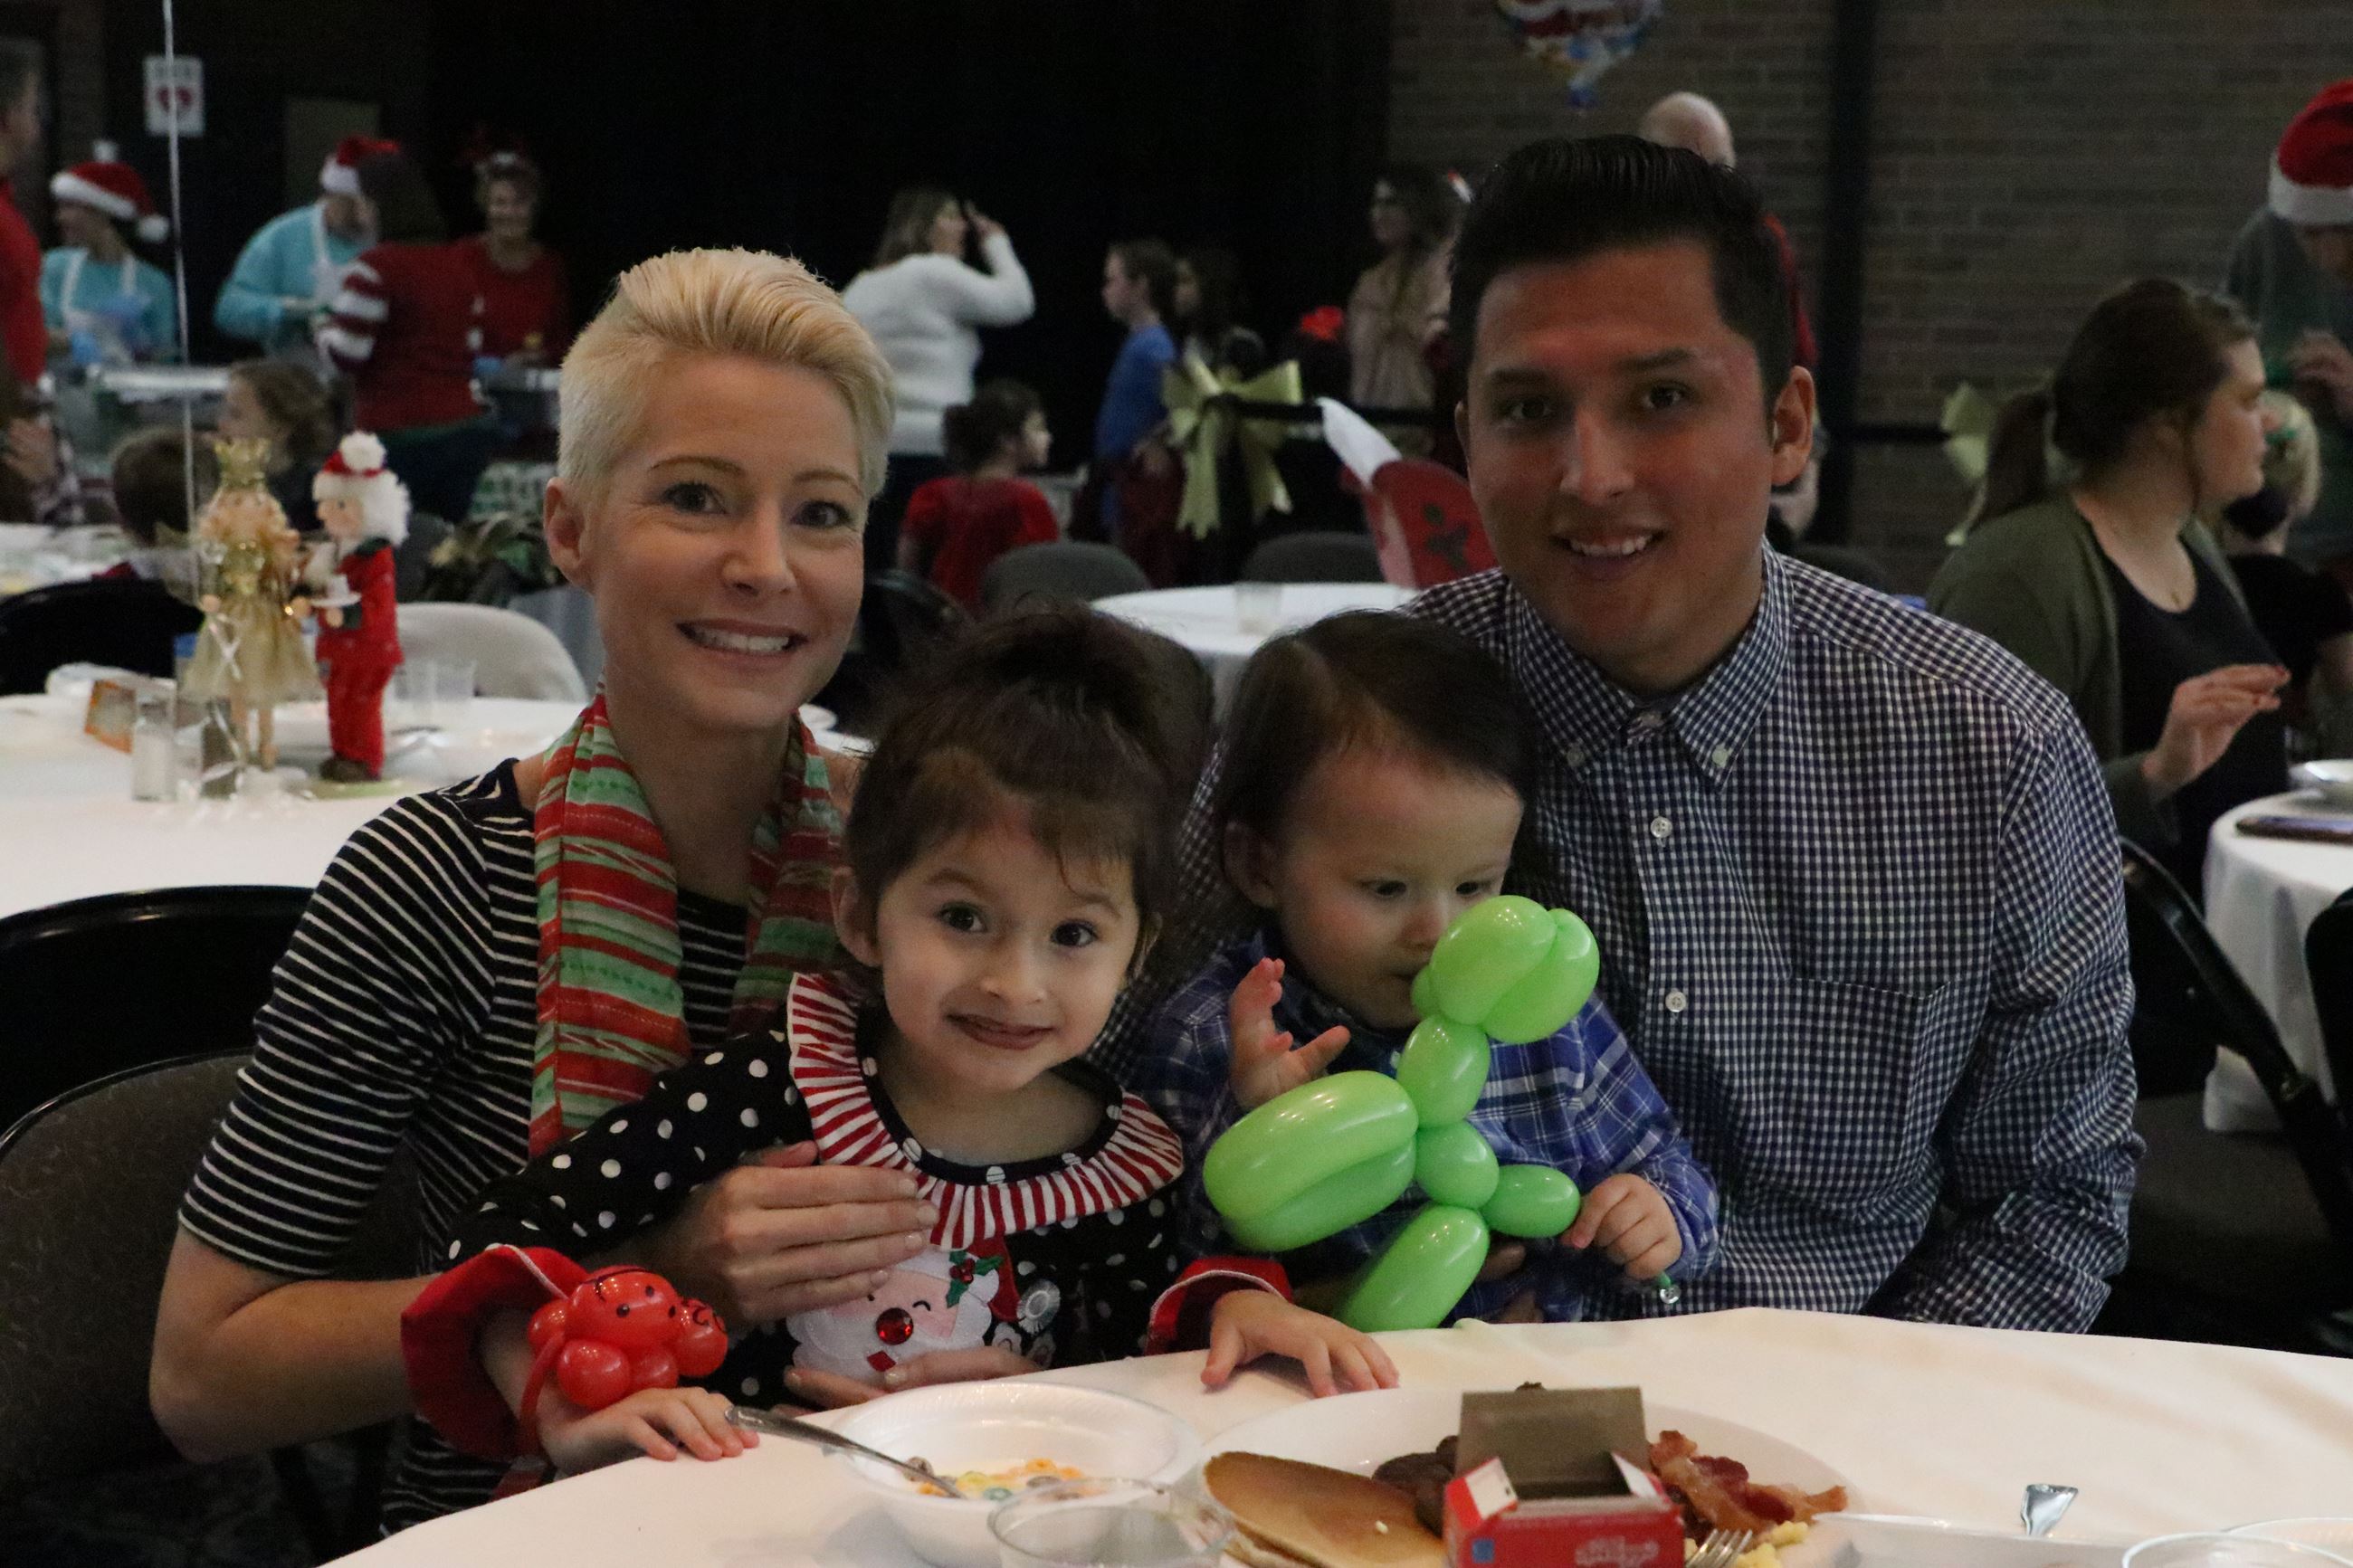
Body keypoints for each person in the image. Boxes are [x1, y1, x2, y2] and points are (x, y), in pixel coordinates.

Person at [1109, 136, 2139, 1333]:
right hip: (1389, 1430)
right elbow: (1085, 1074)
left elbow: (2050, 1195)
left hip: (1841, 1422)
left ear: (1788, 425)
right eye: (1529, 410)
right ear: (1462, 441)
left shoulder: (1986, 753)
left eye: (1662, 399)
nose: (1589, 476)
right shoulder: (1351, 728)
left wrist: (1869, 1444)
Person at [151, 248, 941, 1531]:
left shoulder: (917, 864)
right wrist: (653, 1269)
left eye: (821, 513)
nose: (765, 566)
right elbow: (205, 1374)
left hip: (879, 1507)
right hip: (525, 1525)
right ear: (571, 529)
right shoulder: (436, 885)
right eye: (696, 497)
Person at [404, 607, 1393, 1491]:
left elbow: (1135, 1348)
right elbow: (498, 1244)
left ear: (1138, 951)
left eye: (1074, 935)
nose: (1013, 980)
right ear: (861, 915)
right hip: (729, 1509)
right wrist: (562, 1401)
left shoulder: (1126, 1162)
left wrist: (1185, 1328)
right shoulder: (771, 1089)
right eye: (962, 916)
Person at [1136, 612, 1719, 1324]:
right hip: (1331, 1391)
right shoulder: (1213, 1031)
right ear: (1260, 863)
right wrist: (1253, 1117)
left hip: (1552, 1364)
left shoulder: (1540, 1010)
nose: (1438, 932)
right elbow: (1163, 1281)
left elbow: (1662, 1156)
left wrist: (1659, 1216)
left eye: (1474, 886)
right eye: (1386, 888)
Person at [1930, 280, 2288, 898]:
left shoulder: (2192, 543)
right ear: (2167, 426)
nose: (2273, 422)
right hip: (2112, 970)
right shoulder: (2022, 572)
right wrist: (2152, 775)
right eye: (2250, 400)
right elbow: (1961, 816)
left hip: (2219, 929)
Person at [842, 186, 1034, 575]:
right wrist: (996, 242)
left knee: (880, 573)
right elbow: (1016, 302)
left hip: (875, 447)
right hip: (937, 448)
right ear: (923, 227)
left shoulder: (859, 288)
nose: (962, 227)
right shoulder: (932, 271)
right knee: (938, 577)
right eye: (950, 217)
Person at [319, 148, 500, 525]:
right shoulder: (460, 266)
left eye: (364, 204)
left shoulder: (375, 269)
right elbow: (471, 347)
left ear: (379, 206)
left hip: (398, 436)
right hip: (463, 432)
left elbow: (347, 357)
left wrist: (321, 331)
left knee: (391, 555)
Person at [2223, 79, 2353, 588]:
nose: (2322, 258)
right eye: (2307, 236)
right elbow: (2220, 350)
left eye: (2337, 237)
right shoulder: (2267, 242)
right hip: (2274, 537)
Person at [1638, 92, 1817, 370]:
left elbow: (1794, 352)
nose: (1710, 183)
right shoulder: (1616, 243)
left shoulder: (1760, 237)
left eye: (1720, 165)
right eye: (1690, 167)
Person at [2217, 392, 2353, 755]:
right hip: (2285, 763)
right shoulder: (2320, 595)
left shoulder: (2192, 582)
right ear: (2305, 485)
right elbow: (2348, 695)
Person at [214, 134, 392, 359]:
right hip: (296, 379)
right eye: (350, 206)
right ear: (330, 195)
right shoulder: (283, 237)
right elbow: (230, 311)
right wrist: (289, 310)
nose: (363, 218)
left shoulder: (393, 240)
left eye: (370, 207)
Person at [897, 377, 1058, 610]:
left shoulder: (933, 492)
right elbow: (1042, 574)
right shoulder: (1027, 500)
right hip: (999, 626)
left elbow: (906, 567)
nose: (1048, 437)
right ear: (1008, 441)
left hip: (943, 623)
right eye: (1038, 428)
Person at [1346, 165, 1458, 439]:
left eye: (1391, 203)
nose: (1378, 214)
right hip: (1367, 431)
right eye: (1375, 203)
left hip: (1423, 432)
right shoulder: (1370, 281)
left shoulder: (1442, 273)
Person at [1091, 238, 1179, 573]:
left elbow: (1186, 408)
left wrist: (1160, 439)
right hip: (1120, 487)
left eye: (1112, 280)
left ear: (1140, 285)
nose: (1106, 290)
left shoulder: (1153, 347)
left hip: (1136, 492)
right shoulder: (1141, 343)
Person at [41, 154, 177, 364]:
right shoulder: (54, 267)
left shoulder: (154, 284)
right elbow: (34, 334)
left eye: (69, 207)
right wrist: (75, 342)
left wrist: (140, 348)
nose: (60, 218)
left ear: (103, 213)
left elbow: (165, 362)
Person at [456, 151, 570, 366]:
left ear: (533, 208)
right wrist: (498, 366)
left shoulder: (550, 266)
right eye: (500, 203)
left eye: (519, 203)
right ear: (485, 207)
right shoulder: (462, 258)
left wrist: (540, 357)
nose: (509, 212)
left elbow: (560, 341)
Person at [217, 356, 337, 533]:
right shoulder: (211, 481)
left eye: (236, 415)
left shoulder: (320, 496)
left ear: (280, 429)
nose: (221, 423)